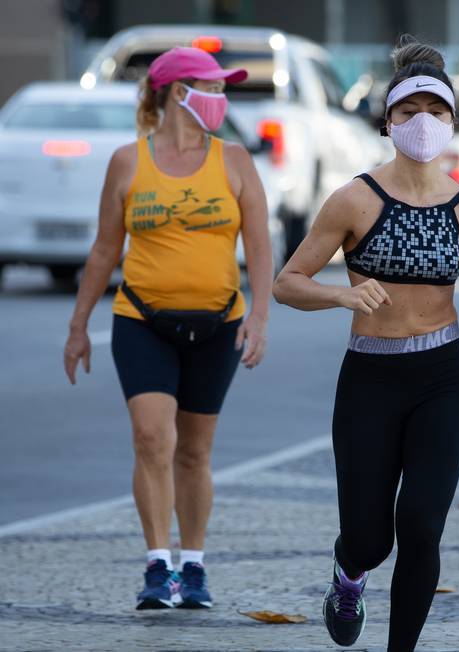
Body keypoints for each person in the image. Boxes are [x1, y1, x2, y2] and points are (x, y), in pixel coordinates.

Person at [272, 37, 459, 651]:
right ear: (388, 122)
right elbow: (287, 283)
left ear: (452, 122)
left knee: (420, 526)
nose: (422, 122)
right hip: (370, 378)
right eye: (409, 111)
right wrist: (341, 296)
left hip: (443, 377)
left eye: (435, 112)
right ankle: (348, 572)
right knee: (369, 539)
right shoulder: (353, 199)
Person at [62, 47, 272, 609]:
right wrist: (78, 327)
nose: (221, 98)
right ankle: (159, 564)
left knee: (195, 453)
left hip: (218, 324)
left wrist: (259, 316)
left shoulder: (234, 160)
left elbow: (259, 246)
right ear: (180, 92)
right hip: (142, 321)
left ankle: (193, 565)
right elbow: (105, 249)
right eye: (214, 87)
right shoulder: (128, 162)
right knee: (153, 438)